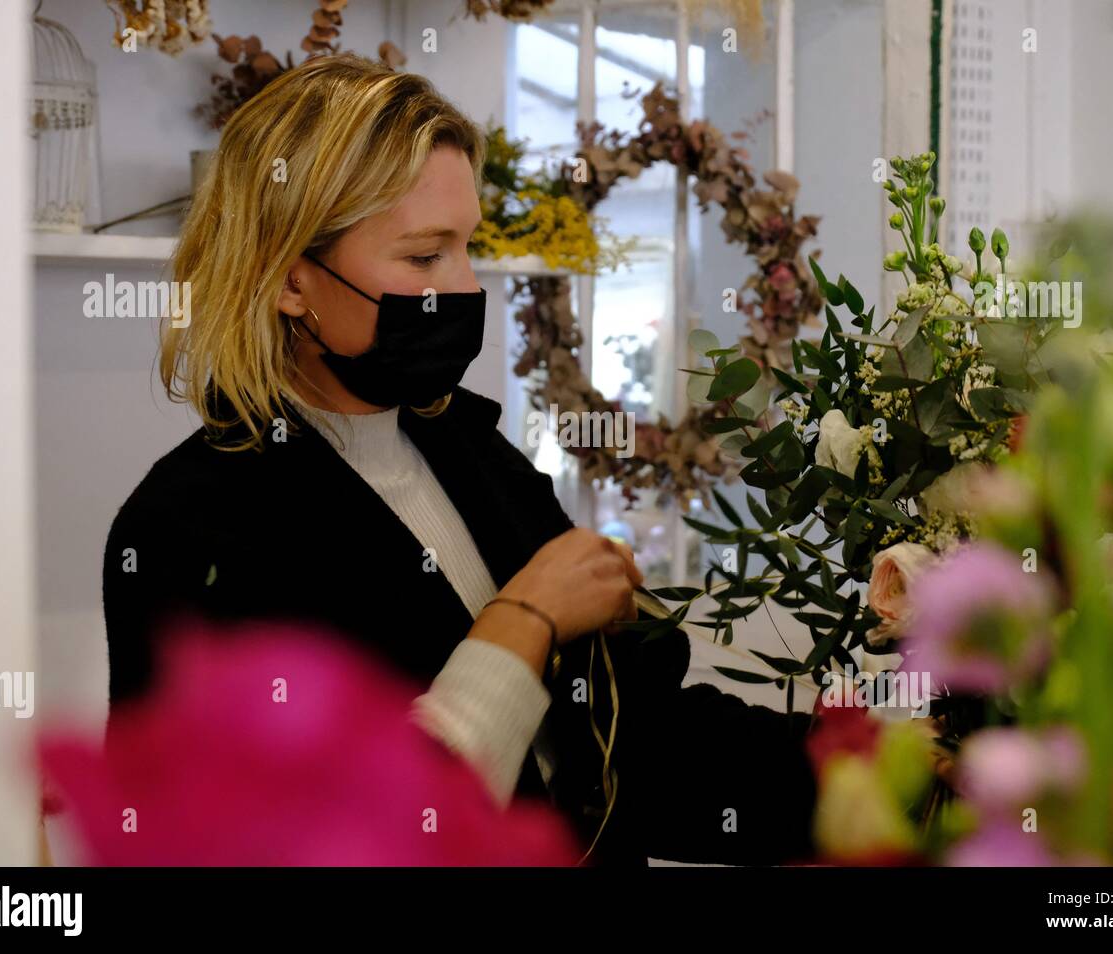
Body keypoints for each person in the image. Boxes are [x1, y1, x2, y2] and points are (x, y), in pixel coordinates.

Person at [103, 53, 816, 866]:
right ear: (291, 280)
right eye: (423, 257)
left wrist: (881, 779)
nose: (466, 285)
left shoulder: (474, 456)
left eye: (466, 247)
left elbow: (643, 743)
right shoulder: (190, 530)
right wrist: (525, 623)